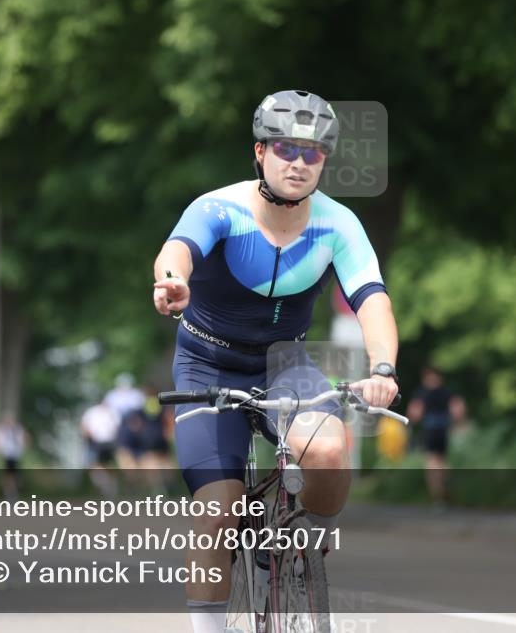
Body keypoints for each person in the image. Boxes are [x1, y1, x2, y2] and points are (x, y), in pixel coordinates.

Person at [152, 89, 399, 633]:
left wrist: (383, 369)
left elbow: (372, 299)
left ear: (324, 161)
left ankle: (297, 548)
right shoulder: (219, 208)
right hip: (207, 366)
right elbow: (179, 251)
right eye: (286, 148)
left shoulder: (338, 225)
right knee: (218, 509)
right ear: (259, 153)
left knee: (331, 449)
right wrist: (171, 282)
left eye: (312, 153)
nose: (298, 162)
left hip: (284, 365)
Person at [407, 365, 466, 509]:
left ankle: (438, 497)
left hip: (429, 430)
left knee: (431, 463)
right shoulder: (447, 392)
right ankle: (446, 481)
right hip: (444, 429)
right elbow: (458, 411)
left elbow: (415, 414)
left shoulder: (421, 393)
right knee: (442, 460)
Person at [104, 373, 147, 471]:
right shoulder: (112, 396)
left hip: (136, 428)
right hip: (121, 428)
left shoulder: (136, 394)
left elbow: (141, 414)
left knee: (141, 456)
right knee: (125, 455)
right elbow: (109, 414)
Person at [80, 400, 120, 497]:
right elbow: (84, 427)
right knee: (95, 465)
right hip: (96, 442)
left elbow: (117, 427)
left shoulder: (112, 412)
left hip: (109, 442)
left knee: (108, 465)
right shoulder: (91, 412)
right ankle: (104, 486)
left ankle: (110, 488)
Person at [0, 414, 30, 502]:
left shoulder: (18, 430)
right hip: (6, 455)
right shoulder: (1, 430)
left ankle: (14, 492)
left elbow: (25, 438)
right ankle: (8, 493)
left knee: (16, 475)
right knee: (7, 476)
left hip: (16, 455)